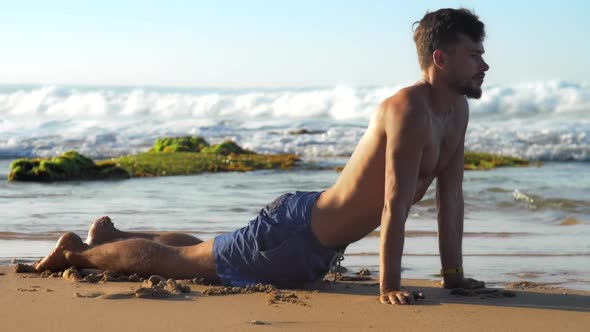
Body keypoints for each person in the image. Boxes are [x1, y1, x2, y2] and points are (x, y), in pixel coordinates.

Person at [35, 8, 489, 305]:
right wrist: (389, 286)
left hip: (315, 239)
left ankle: (112, 233)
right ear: (440, 59)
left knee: (202, 252)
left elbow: (452, 199)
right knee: (181, 263)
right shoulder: (407, 109)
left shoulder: (455, 112)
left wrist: (453, 275)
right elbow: (394, 203)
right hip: (292, 237)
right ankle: (77, 254)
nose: (484, 66)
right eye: (474, 55)